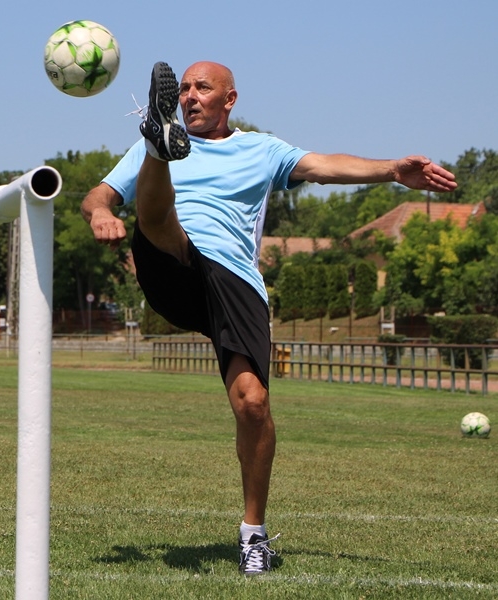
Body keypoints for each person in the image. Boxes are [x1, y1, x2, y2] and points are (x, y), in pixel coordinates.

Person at [81, 61, 457, 574]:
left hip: (234, 281)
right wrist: (102, 213)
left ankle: (253, 535)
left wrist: (391, 170)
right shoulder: (160, 146)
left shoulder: (261, 149)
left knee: (253, 404)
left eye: (202, 88)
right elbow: (97, 197)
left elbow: (327, 165)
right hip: (173, 258)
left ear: (229, 99)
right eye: (184, 89)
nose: (191, 96)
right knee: (159, 218)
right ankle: (157, 150)